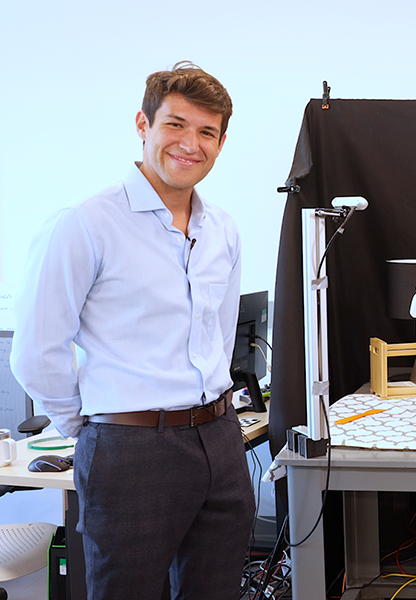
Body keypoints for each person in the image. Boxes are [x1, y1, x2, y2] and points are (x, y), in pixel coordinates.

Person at [11, 61, 255, 600]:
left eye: (207, 132)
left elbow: (218, 331)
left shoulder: (223, 230)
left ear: (219, 144)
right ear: (143, 126)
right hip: (132, 448)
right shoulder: (85, 224)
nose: (191, 143)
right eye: (176, 124)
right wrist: (97, 427)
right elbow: (37, 352)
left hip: (219, 437)